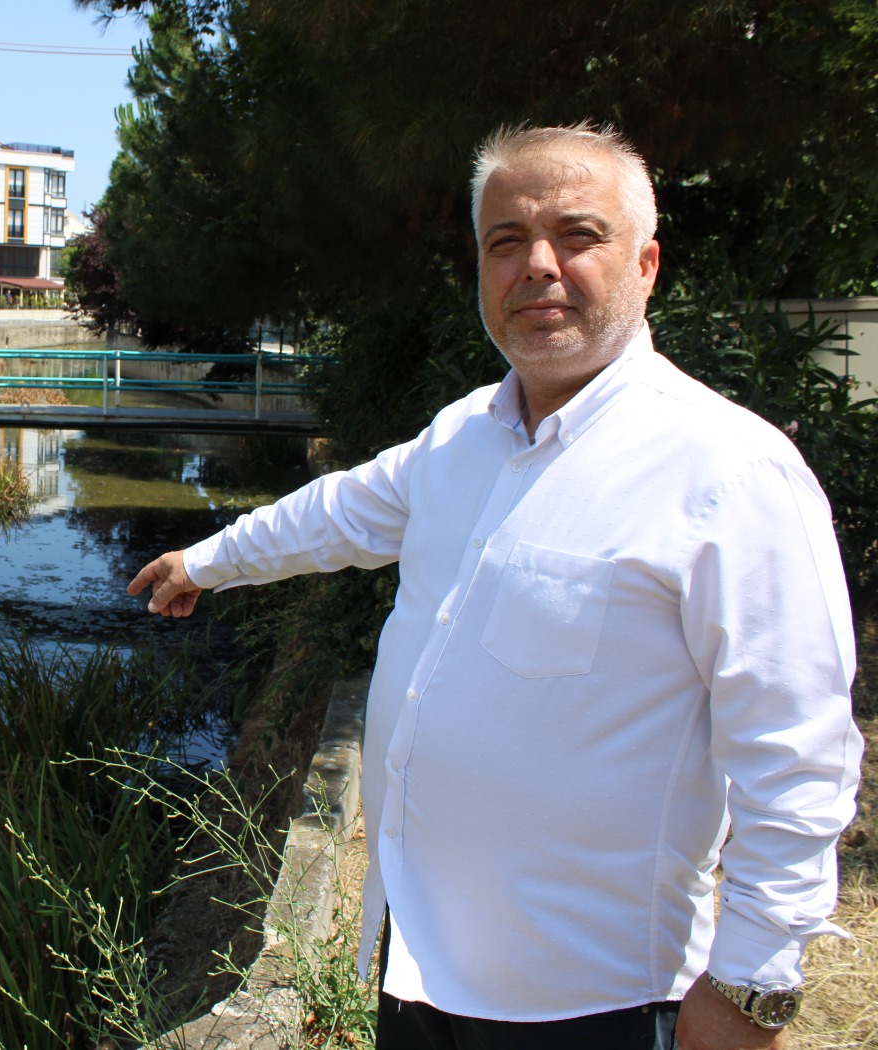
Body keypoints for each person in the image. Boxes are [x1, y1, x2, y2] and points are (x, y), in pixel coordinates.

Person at [128, 123, 862, 1050]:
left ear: (646, 264)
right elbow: (338, 515)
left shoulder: (729, 472)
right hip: (416, 969)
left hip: (591, 1002)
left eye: (577, 235)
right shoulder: (462, 435)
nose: (537, 266)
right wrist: (205, 562)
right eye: (504, 242)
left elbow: (796, 755)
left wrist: (753, 987)